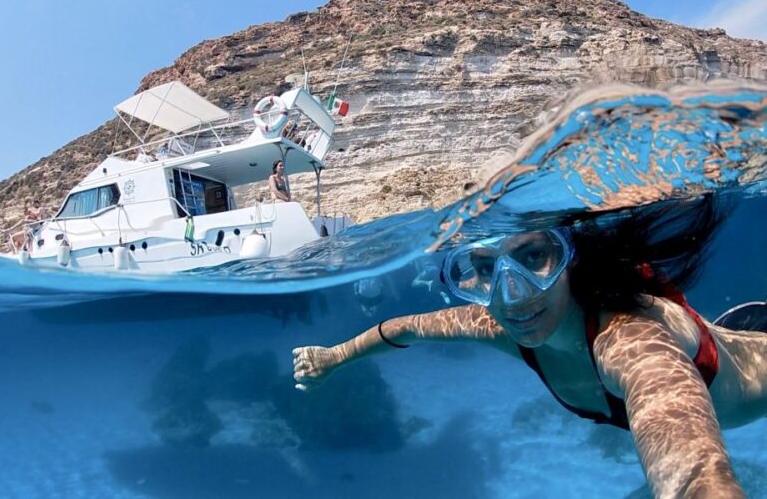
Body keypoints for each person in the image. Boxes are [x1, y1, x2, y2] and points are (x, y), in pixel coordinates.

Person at [293, 195, 767, 497]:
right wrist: (333, 357)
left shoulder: (630, 339)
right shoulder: (495, 326)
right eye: (481, 268)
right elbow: (404, 328)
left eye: (533, 257)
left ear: (569, 256)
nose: (511, 295)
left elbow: (694, 474)